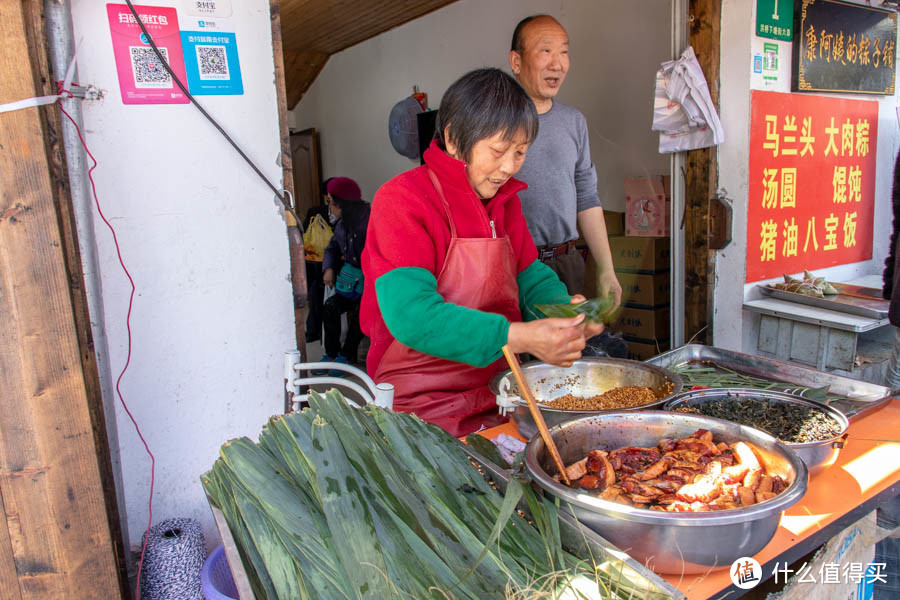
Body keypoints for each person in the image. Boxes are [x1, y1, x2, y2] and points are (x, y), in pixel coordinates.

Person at [361, 68, 604, 436]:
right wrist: (520, 337)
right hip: (418, 408)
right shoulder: (402, 201)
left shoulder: (504, 204)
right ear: (455, 140)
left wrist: (563, 312)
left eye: (520, 152)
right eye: (498, 150)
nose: (508, 167)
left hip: (501, 394)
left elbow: (530, 277)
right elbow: (413, 316)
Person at [508, 14, 622, 307]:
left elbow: (587, 196)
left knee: (569, 350)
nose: (557, 63)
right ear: (516, 62)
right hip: (511, 267)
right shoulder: (496, 121)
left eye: (564, 51)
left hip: (566, 263)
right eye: (545, 51)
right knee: (513, 350)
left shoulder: (574, 121)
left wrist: (606, 269)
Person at [320, 179, 368, 370]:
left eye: (331, 202)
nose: (329, 207)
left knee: (360, 315)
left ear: (341, 203)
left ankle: (347, 356)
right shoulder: (341, 225)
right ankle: (332, 355)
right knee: (330, 307)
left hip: (372, 284)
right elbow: (332, 247)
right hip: (350, 283)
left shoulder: (368, 222)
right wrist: (329, 267)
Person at [303, 177, 338, 343]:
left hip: (316, 260)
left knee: (317, 296)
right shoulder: (319, 212)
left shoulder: (315, 212)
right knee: (319, 296)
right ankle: (316, 331)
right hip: (328, 261)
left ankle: (313, 332)